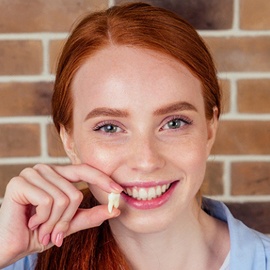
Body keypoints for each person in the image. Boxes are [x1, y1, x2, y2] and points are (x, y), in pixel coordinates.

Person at [0, 2, 269, 269]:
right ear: (69, 140)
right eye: (109, 128)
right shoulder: (17, 261)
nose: (146, 160)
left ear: (210, 128)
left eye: (174, 123)